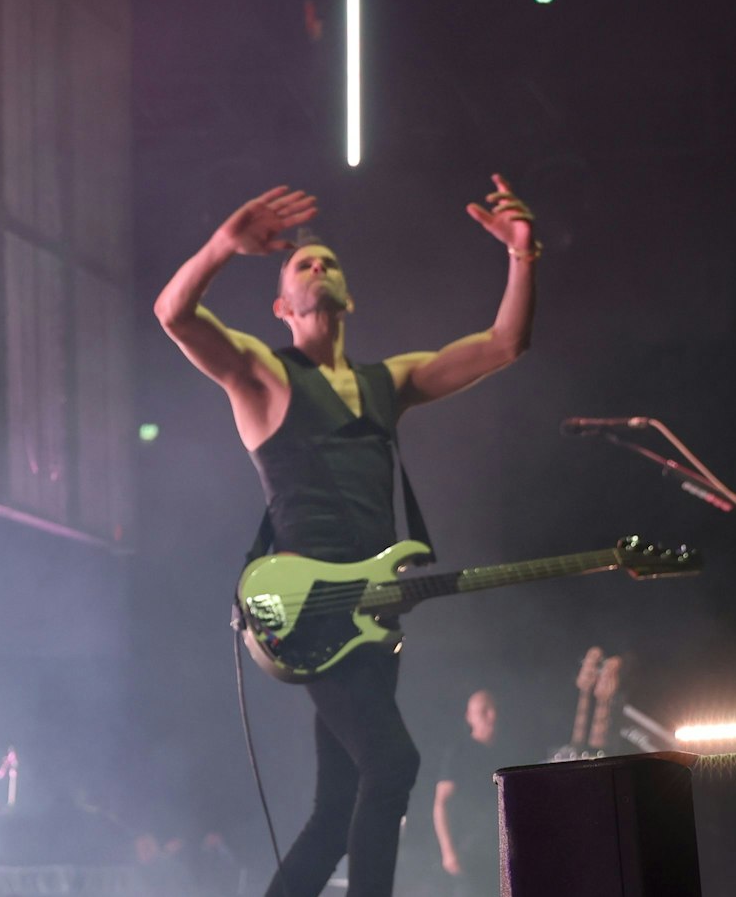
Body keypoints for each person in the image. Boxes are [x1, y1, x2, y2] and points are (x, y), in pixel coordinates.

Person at [153, 177, 538, 897]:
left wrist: (523, 255)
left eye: (327, 261)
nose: (316, 265)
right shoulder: (263, 375)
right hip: (312, 609)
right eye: (301, 264)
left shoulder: (389, 380)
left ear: (350, 297)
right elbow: (174, 313)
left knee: (336, 812)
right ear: (281, 307)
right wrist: (221, 246)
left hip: (374, 611)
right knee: (393, 764)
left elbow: (505, 342)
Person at [433, 690, 509, 895]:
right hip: (470, 853)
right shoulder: (460, 752)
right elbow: (441, 802)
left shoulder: (507, 751)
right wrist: (448, 851)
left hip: (501, 850)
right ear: (470, 717)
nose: (491, 716)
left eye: (493, 710)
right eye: (484, 711)